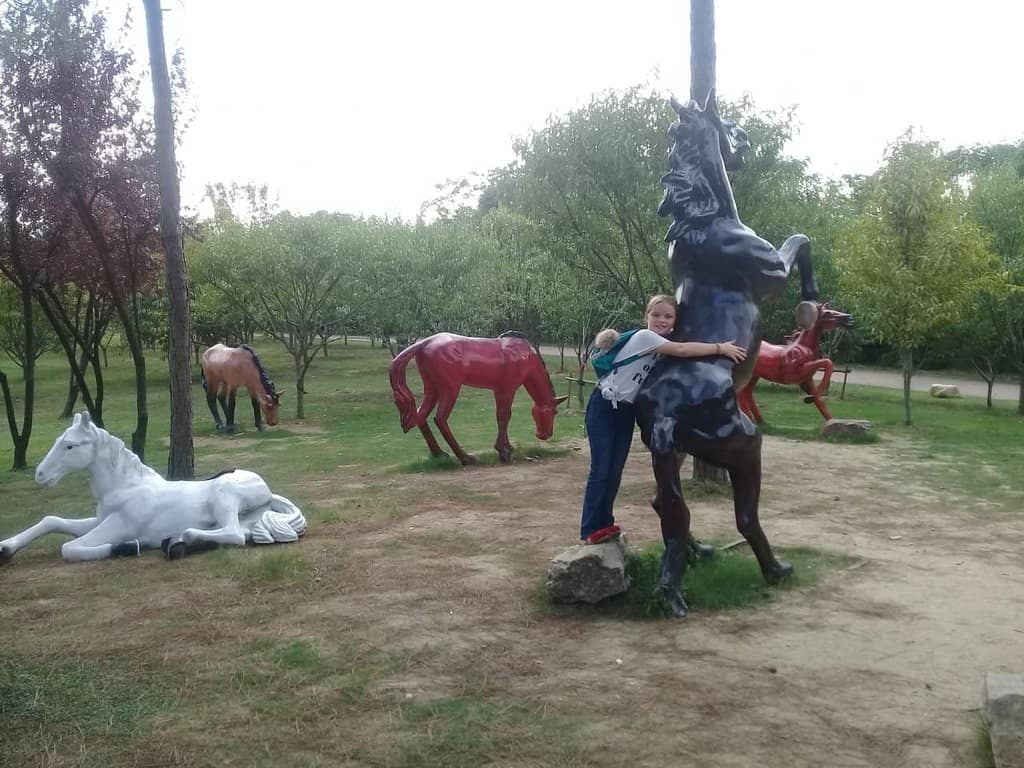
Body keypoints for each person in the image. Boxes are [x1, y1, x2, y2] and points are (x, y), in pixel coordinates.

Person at [579, 295, 747, 544]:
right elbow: (682, 349)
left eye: (668, 316)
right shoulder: (645, 338)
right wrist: (720, 348)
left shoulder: (660, 345)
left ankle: (605, 522)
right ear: (646, 316)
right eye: (656, 315)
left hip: (624, 413)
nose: (661, 320)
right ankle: (590, 528)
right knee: (601, 469)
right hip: (604, 408)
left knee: (614, 471)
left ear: (674, 321)